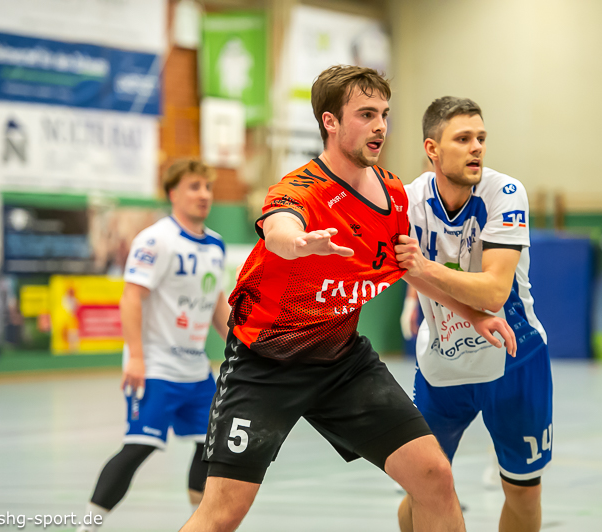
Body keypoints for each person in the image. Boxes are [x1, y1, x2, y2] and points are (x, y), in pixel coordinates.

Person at [181, 66, 515, 532]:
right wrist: (297, 243)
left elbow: (406, 268)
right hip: (266, 365)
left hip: (342, 363)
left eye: (384, 114)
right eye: (366, 114)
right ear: (331, 122)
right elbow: (279, 227)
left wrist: (473, 314)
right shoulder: (301, 189)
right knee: (222, 514)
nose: (380, 126)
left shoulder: (393, 194)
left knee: (434, 475)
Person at [394, 96, 552, 532]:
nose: (477, 147)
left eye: (481, 137)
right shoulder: (405, 201)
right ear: (432, 149)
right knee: (423, 488)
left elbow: (495, 290)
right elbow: (395, 267)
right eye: (463, 138)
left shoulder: (505, 192)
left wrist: (422, 268)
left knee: (523, 492)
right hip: (442, 363)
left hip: (513, 358)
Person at [77, 159, 230, 531]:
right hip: (156, 366)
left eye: (207, 187)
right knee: (139, 447)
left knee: (210, 446)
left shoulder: (215, 244)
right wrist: (136, 358)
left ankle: (200, 525)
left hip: (195, 369)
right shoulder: (156, 239)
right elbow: (131, 298)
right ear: (173, 193)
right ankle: (86, 526)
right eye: (194, 186)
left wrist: (242, 347)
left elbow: (217, 303)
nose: (204, 194)